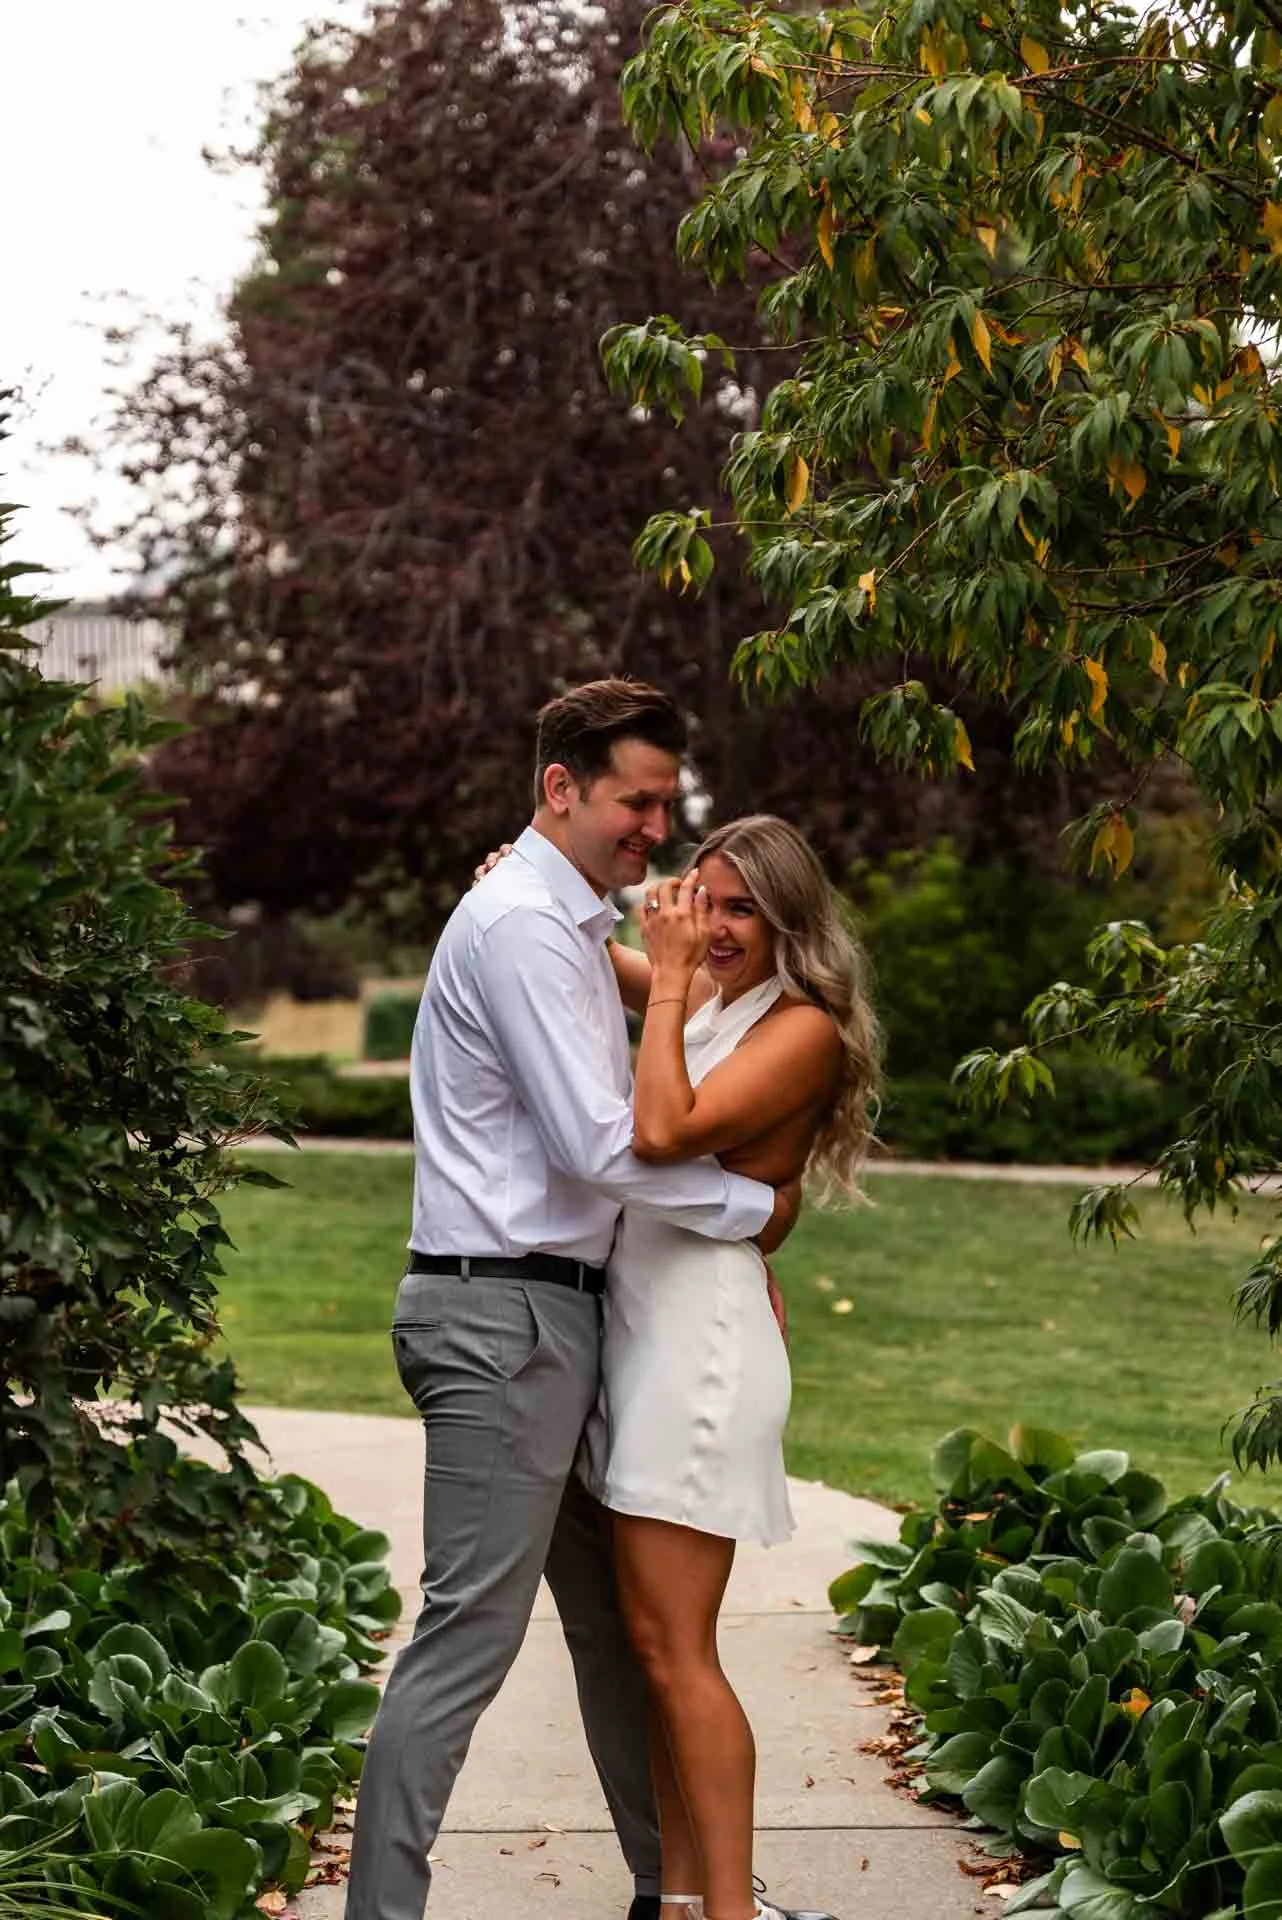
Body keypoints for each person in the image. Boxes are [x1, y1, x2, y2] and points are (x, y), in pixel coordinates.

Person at [344, 680, 816, 1920]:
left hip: (558, 1319)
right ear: (562, 789)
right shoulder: (519, 926)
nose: (656, 825)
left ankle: (686, 1895)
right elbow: (610, 1148)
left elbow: (674, 1014)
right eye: (635, 799)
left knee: (622, 1633)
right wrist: (757, 1216)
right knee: (466, 1644)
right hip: (502, 1320)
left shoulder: (556, 917)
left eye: (668, 800)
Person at [577, 814, 882, 1920]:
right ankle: (685, 1899)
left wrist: (660, 979)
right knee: (654, 1653)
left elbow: (662, 1130)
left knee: (676, 1651)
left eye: (741, 907)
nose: (712, 926)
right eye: (703, 900)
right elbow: (611, 961)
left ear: (789, 921)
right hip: (653, 1334)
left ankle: (730, 1915)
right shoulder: (722, 995)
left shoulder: (799, 1026)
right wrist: (549, 903)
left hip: (699, 1352)